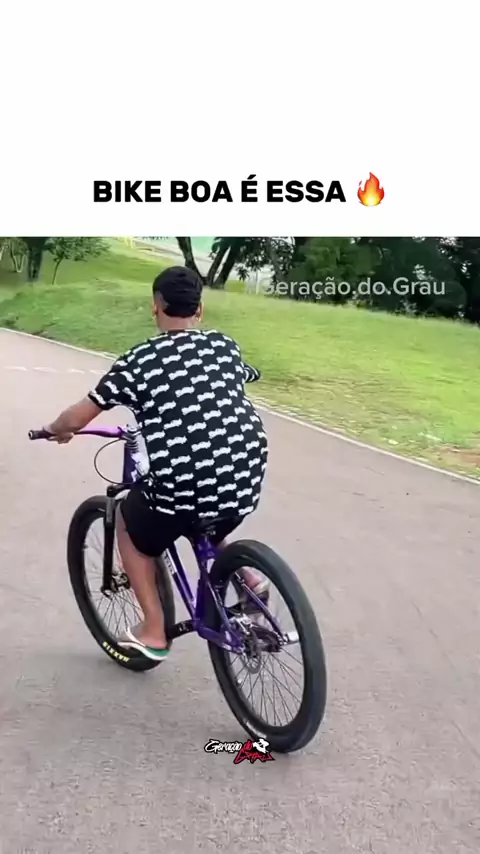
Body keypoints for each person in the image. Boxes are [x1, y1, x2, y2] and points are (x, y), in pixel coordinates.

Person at [43, 265, 269, 661]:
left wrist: (56, 430)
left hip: (184, 480)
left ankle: (153, 631)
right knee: (208, 512)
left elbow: (79, 416)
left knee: (130, 525)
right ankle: (249, 579)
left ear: (155, 306)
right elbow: (246, 374)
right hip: (245, 476)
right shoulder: (224, 345)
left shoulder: (140, 359)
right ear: (199, 309)